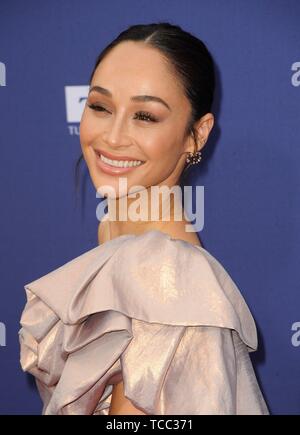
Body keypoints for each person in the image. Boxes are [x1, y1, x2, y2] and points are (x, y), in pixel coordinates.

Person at [18, 22, 269, 415]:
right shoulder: (122, 242)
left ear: (197, 135)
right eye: (100, 106)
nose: (113, 137)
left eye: (145, 116)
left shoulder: (164, 278)